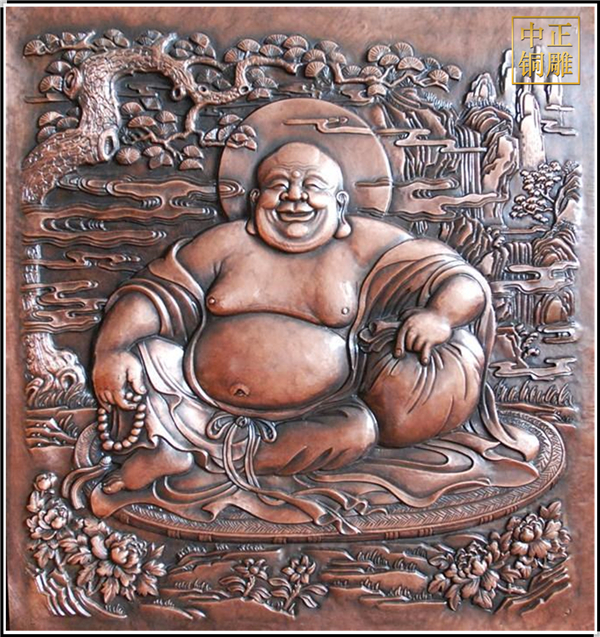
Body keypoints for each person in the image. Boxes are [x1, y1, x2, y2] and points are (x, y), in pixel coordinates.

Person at [92, 141, 492, 496]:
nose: (295, 197)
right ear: (255, 198)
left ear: (340, 202)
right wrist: (111, 350)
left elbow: (461, 280)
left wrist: (441, 316)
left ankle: (194, 453)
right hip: (191, 396)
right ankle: (176, 444)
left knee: (356, 431)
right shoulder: (224, 244)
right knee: (147, 355)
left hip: (316, 413)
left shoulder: (368, 246)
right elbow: (153, 295)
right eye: (279, 185)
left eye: (312, 186)